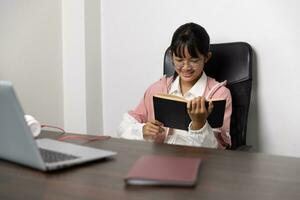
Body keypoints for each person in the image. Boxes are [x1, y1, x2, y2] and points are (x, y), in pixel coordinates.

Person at [117, 22, 232, 149]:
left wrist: (200, 124)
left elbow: (219, 150)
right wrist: (143, 130)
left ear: (206, 57)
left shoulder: (219, 95)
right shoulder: (157, 89)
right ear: (171, 56)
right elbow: (123, 127)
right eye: (179, 60)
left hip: (199, 163)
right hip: (161, 161)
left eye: (194, 60)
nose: (186, 67)